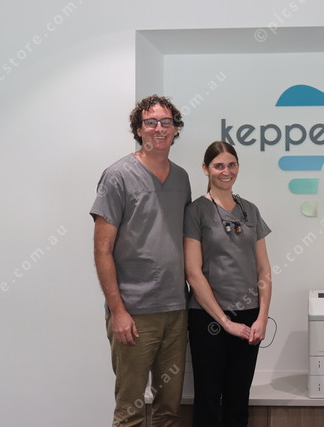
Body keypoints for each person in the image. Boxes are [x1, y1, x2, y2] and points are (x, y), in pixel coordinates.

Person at [91, 95, 191, 426]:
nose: (159, 128)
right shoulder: (117, 176)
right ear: (138, 129)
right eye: (151, 122)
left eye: (166, 122)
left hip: (175, 309)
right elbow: (102, 249)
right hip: (134, 313)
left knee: (168, 411)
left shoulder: (181, 178)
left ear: (175, 130)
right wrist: (118, 311)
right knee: (130, 412)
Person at [183, 141, 272, 427]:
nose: (226, 171)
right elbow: (193, 273)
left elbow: (264, 269)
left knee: (238, 401)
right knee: (208, 401)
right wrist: (226, 322)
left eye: (231, 165)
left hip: (249, 318)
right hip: (208, 318)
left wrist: (262, 318)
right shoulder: (196, 211)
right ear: (205, 169)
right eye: (219, 165)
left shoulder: (250, 211)